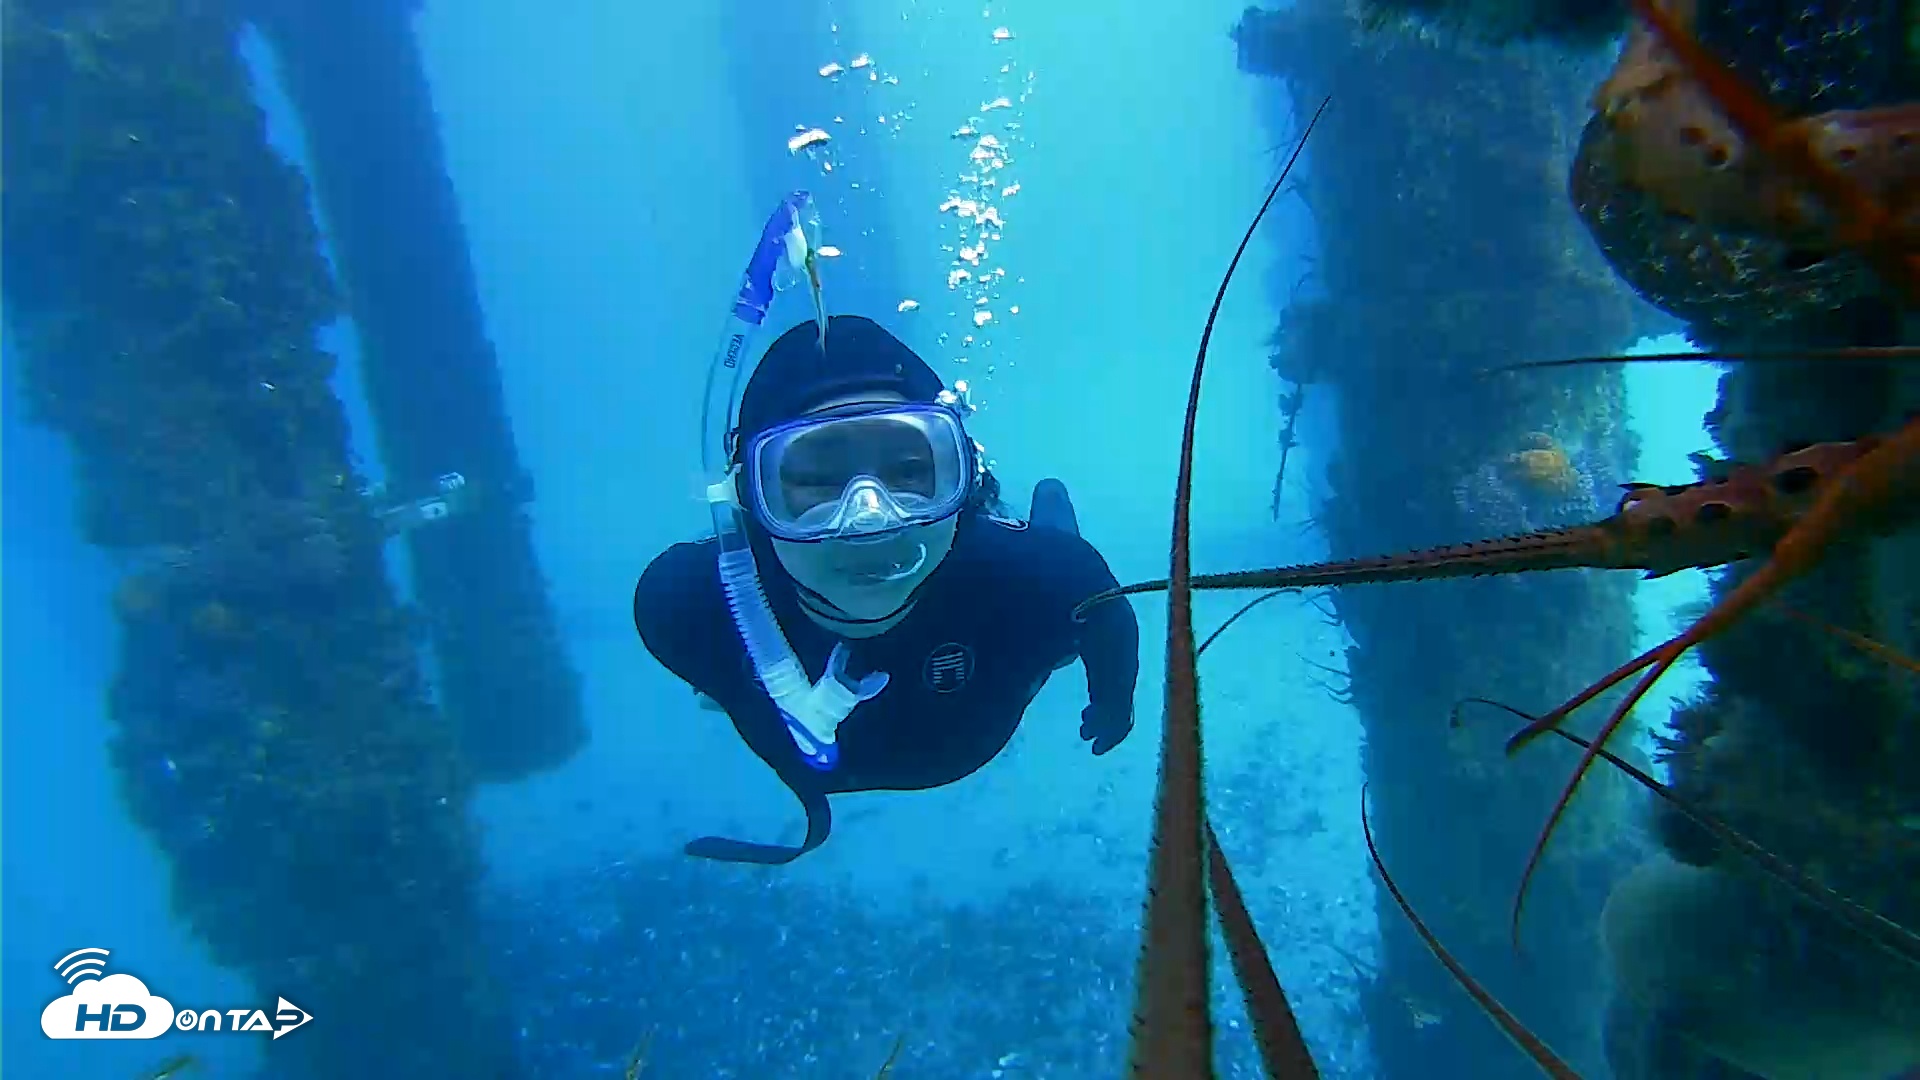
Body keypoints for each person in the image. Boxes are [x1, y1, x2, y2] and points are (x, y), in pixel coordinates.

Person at [633, 313, 1140, 864]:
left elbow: (1107, 618)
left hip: (1023, 608)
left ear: (963, 475)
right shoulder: (682, 605)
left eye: (910, 473)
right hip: (962, 736)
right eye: (813, 482)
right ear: (747, 501)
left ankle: (1049, 515)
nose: (869, 521)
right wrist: (728, 680)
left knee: (1063, 590)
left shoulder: (1049, 578)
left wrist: (1114, 700)